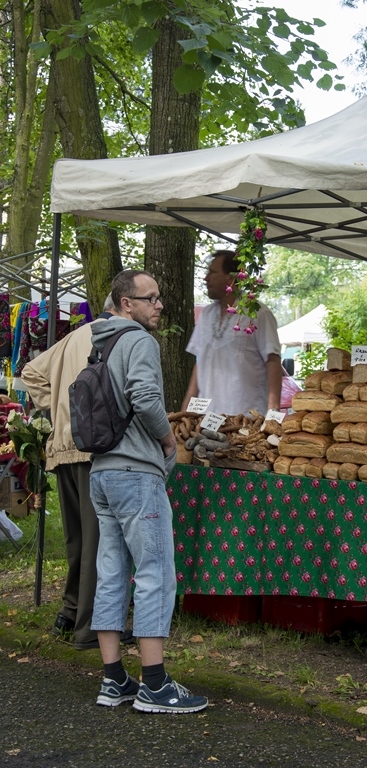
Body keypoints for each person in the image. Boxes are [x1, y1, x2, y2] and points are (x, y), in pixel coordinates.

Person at [88, 269, 208, 714]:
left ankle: (114, 679)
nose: (159, 305)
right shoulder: (138, 340)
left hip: (101, 472)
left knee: (112, 572)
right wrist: (167, 439)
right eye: (150, 298)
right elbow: (144, 398)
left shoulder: (100, 343)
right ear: (126, 304)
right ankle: (154, 685)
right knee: (156, 571)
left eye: (158, 298)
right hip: (136, 473)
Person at [21, 295, 135, 650]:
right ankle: (90, 627)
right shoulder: (118, 337)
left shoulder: (74, 336)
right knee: (97, 541)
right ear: (125, 305)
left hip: (63, 447)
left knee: (77, 539)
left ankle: (69, 614)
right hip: (92, 447)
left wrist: (59, 408)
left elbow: (30, 372)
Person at [181, 250, 282, 415]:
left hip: (246, 418)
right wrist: (185, 412)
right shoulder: (206, 314)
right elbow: (200, 363)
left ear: (230, 278)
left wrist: (273, 412)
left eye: (212, 272)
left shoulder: (257, 313)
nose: (206, 278)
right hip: (207, 418)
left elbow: (272, 360)